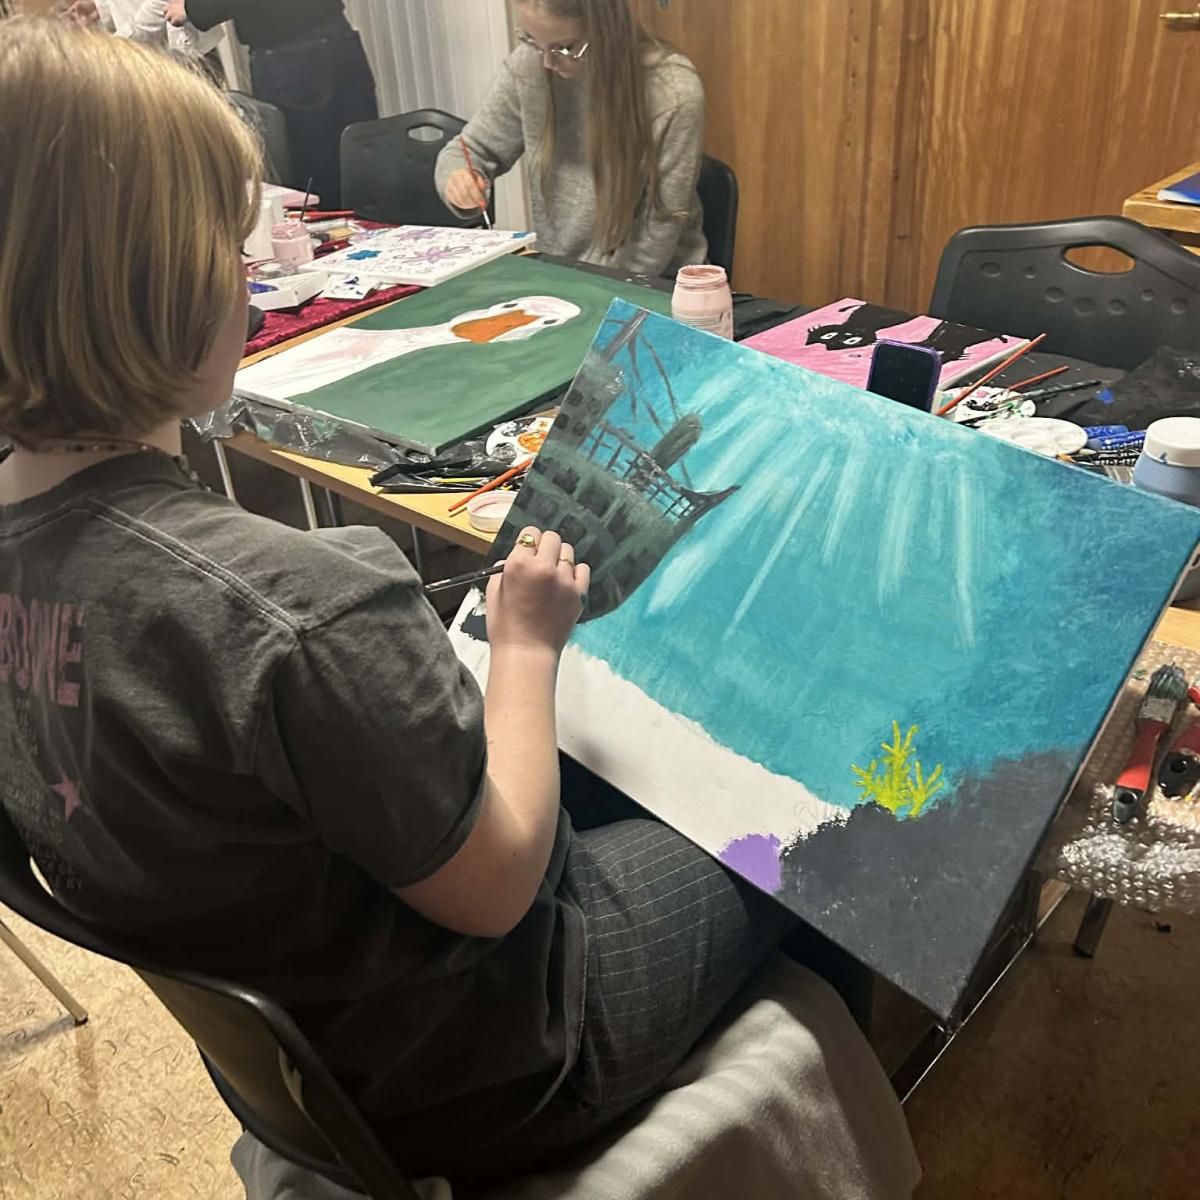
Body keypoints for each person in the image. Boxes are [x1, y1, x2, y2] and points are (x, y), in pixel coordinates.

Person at [0, 17, 791, 1188]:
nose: (250, 277)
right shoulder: (303, 608)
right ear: (166, 288)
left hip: (299, 1059)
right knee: (788, 839)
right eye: (228, 246)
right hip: (494, 1063)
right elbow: (499, 887)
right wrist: (524, 646)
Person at [436, 0, 708, 279]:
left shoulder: (672, 92)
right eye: (532, 40)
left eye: (565, 47)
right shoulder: (529, 64)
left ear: (607, 28)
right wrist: (459, 177)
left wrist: (585, 290)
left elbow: (657, 231)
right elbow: (468, 150)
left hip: (653, 282)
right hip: (562, 275)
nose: (547, 62)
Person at [165, 0, 377, 207]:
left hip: (293, 52)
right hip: (331, 37)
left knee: (313, 181)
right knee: (359, 162)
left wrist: (193, 8)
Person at [62, 0, 222, 69]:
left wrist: (118, 45)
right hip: (148, 60)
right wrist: (98, 9)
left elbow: (165, 2)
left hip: (187, 55)